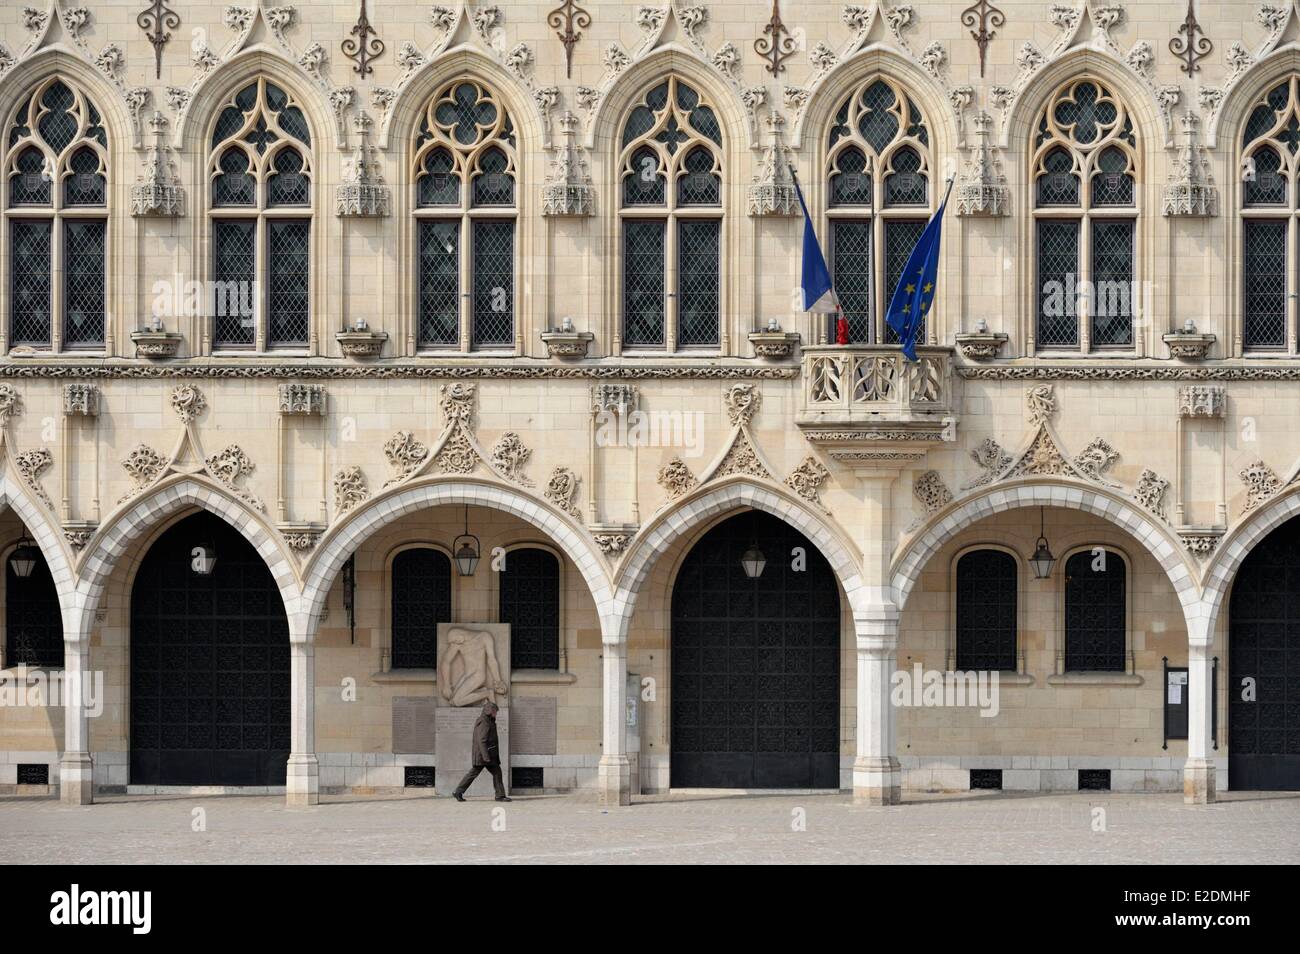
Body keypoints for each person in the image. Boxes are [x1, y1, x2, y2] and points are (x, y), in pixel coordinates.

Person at [452, 700, 511, 802]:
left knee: (492, 773)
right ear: (489, 711)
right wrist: (486, 756)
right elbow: (481, 740)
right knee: (484, 773)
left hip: (487, 754)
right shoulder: (484, 722)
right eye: (495, 711)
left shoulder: (487, 721)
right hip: (485, 755)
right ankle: (499, 796)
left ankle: (458, 792)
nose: (496, 713)